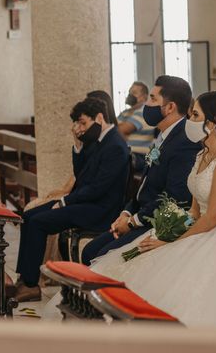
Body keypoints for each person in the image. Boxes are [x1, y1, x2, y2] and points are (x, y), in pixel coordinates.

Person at [89, 91, 216, 327]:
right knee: (137, 259)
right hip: (202, 228)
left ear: (212, 123)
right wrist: (164, 233)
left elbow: (213, 217)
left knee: (174, 286)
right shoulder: (203, 153)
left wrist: (171, 243)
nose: (189, 121)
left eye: (195, 115)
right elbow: (195, 213)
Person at [12, 97, 129, 302]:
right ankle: (24, 278)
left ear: (100, 118)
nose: (79, 127)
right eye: (77, 124)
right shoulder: (98, 141)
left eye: (83, 123)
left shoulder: (115, 145)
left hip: (100, 210)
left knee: (40, 222)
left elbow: (97, 188)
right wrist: (78, 145)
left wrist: (65, 202)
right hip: (86, 202)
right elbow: (81, 176)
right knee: (29, 215)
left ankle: (31, 285)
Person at [81, 75, 202, 262]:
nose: (147, 104)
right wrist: (126, 213)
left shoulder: (184, 142)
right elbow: (145, 186)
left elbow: (174, 197)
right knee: (89, 251)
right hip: (140, 214)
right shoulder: (163, 136)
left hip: (157, 222)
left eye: (153, 99)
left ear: (170, 107)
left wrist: (133, 222)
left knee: (100, 257)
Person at [117, 81, 156, 172]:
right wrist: (120, 132)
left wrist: (119, 130)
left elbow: (120, 129)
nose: (130, 95)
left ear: (144, 97)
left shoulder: (144, 111)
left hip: (139, 156)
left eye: (134, 93)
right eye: (130, 92)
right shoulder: (125, 112)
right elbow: (112, 130)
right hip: (126, 152)